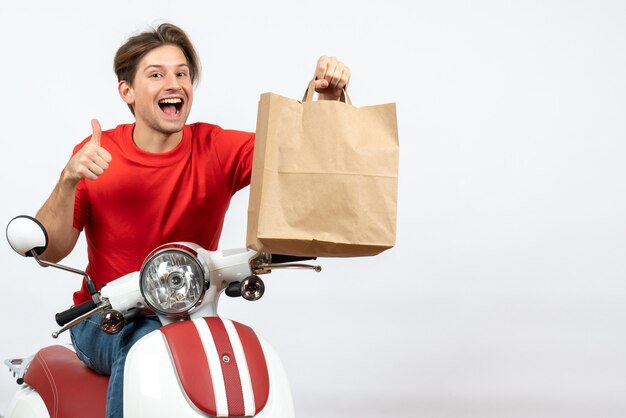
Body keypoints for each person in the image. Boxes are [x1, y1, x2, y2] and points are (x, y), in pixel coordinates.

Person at [34, 23, 350, 418]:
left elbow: (299, 156)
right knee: (146, 345)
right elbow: (52, 249)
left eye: (182, 73)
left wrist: (327, 100)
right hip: (106, 319)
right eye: (157, 74)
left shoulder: (215, 147)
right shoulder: (98, 154)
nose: (174, 83)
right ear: (127, 91)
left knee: (236, 351)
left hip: (191, 314)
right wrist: (69, 179)